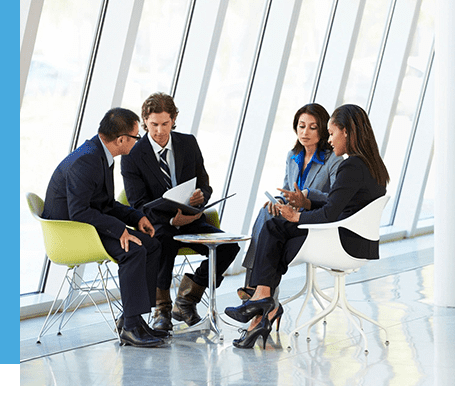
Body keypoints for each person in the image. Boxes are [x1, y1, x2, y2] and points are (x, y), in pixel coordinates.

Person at [224, 104, 390, 349]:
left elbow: (332, 211)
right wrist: (304, 204)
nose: (330, 140)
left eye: (331, 133)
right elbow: (340, 202)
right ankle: (262, 300)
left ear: (346, 132)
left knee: (274, 230)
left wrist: (297, 217)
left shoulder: (351, 166)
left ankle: (262, 298)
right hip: (356, 239)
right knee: (274, 227)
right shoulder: (372, 165)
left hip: (341, 240)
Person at [42, 108, 166, 347]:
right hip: (73, 233)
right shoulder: (87, 160)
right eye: (136, 136)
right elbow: (79, 212)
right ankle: (130, 326)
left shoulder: (100, 154)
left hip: (88, 226)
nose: (138, 141)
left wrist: (135, 217)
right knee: (133, 250)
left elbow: (105, 204)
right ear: (121, 140)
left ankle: (134, 318)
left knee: (151, 244)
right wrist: (120, 230)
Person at [121, 92, 240, 332]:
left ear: (174, 119)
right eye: (153, 124)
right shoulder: (133, 155)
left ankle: (187, 299)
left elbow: (205, 184)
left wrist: (201, 197)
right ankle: (161, 309)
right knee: (164, 240)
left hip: (191, 219)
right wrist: (171, 219)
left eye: (165, 124)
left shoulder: (188, 143)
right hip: (157, 223)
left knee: (229, 247)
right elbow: (137, 203)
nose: (159, 131)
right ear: (145, 121)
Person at [237, 103, 343, 308]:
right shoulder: (292, 157)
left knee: (269, 225)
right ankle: (262, 293)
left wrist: (308, 195)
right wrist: (279, 201)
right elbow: (287, 190)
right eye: (301, 126)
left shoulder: (333, 159)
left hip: (315, 220)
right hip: (291, 218)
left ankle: (255, 287)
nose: (305, 132)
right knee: (267, 210)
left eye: (312, 127)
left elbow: (336, 198)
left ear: (323, 129)